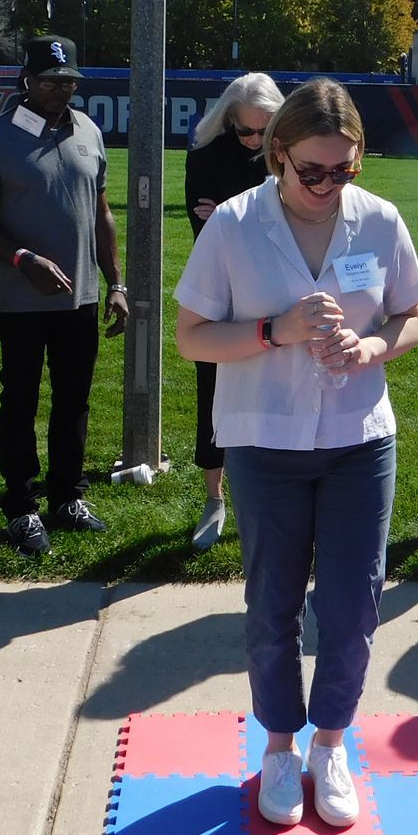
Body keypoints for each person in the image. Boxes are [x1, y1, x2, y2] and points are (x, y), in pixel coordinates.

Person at [174, 78, 418, 829]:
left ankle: (331, 744)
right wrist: (271, 332)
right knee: (273, 605)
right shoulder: (234, 224)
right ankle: (279, 748)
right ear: (276, 154)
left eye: (343, 169)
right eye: (311, 170)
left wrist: (375, 344)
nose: (326, 185)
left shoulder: (379, 220)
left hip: (358, 437)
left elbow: (411, 313)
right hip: (264, 437)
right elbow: (191, 335)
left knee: (353, 608)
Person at [0, 36, 128, 557]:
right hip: (22, 299)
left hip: (81, 296)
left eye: (70, 81)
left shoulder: (89, 131)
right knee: (21, 402)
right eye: (52, 80)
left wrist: (116, 283)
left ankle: (66, 497)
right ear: (27, 81)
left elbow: (101, 214)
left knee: (73, 400)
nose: (62, 89)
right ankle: (20, 506)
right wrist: (22, 260)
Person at [183, 71, 283, 548]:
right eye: (246, 131)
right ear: (227, 122)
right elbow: (206, 233)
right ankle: (214, 496)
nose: (256, 141)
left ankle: (264, 493)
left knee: (274, 386)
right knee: (214, 391)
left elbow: (289, 222)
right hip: (221, 293)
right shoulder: (205, 154)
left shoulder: (284, 154)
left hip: (279, 291)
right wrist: (241, 218)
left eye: (266, 130)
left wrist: (226, 211)